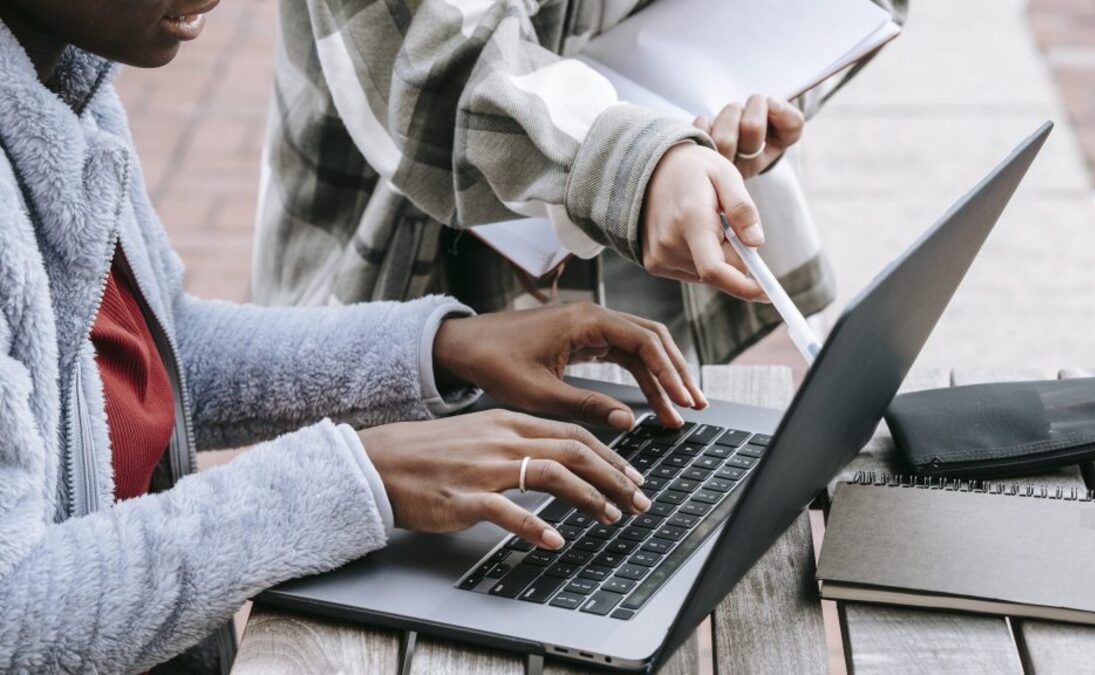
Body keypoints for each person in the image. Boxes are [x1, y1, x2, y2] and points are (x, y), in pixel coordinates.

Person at [0, 1, 709, 671]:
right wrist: (353, 477)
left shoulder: (65, 81)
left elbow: (157, 357)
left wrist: (440, 348)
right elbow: (14, 616)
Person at [253, 0, 842, 367]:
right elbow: (431, 60)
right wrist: (637, 168)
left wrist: (748, 106)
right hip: (416, 283)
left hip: (655, 238)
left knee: (645, 516)